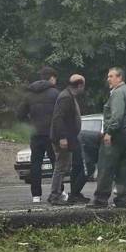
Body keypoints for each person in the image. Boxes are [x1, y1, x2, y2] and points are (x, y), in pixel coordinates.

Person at [87, 68, 126, 208]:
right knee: (124, 169)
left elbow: (117, 116)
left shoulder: (118, 92)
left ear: (120, 77)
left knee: (106, 166)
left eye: (111, 76)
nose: (108, 79)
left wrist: (109, 132)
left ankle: (100, 199)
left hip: (118, 133)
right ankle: (121, 199)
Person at [17, 66, 62, 203]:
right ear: (52, 78)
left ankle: (36, 195)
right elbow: (61, 114)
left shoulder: (29, 94)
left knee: (35, 165)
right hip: (51, 134)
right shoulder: (55, 93)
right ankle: (58, 192)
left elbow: (19, 114)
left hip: (35, 134)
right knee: (56, 164)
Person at [48, 74, 87, 205]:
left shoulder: (68, 95)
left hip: (68, 137)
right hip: (63, 138)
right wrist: (63, 137)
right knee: (61, 167)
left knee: (64, 166)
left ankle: (56, 193)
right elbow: (58, 118)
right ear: (80, 85)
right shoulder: (66, 97)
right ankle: (55, 195)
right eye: (83, 85)